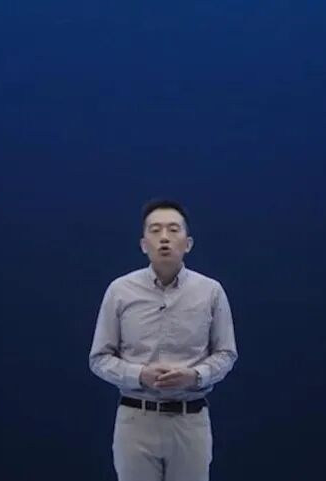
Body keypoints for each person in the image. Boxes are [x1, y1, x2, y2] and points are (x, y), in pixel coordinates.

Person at [89, 199, 238, 481]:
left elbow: (226, 353)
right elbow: (99, 358)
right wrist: (139, 375)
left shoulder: (211, 292)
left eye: (173, 230)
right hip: (136, 420)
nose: (165, 238)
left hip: (189, 421)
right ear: (143, 244)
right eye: (155, 230)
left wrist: (195, 376)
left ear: (188, 243)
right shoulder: (120, 291)